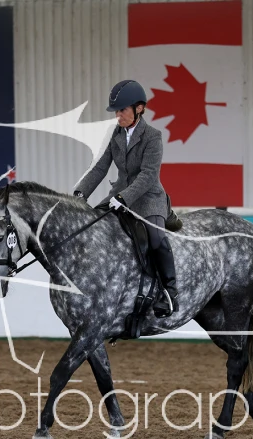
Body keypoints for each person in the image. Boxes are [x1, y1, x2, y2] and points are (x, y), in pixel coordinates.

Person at [73, 79, 181, 318]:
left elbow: (148, 175)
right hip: (119, 195)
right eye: (116, 111)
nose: (117, 116)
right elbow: (101, 167)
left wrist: (124, 197)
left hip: (148, 197)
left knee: (157, 239)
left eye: (122, 110)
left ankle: (170, 292)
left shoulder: (153, 136)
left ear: (139, 108)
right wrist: (81, 193)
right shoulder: (116, 133)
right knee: (93, 226)